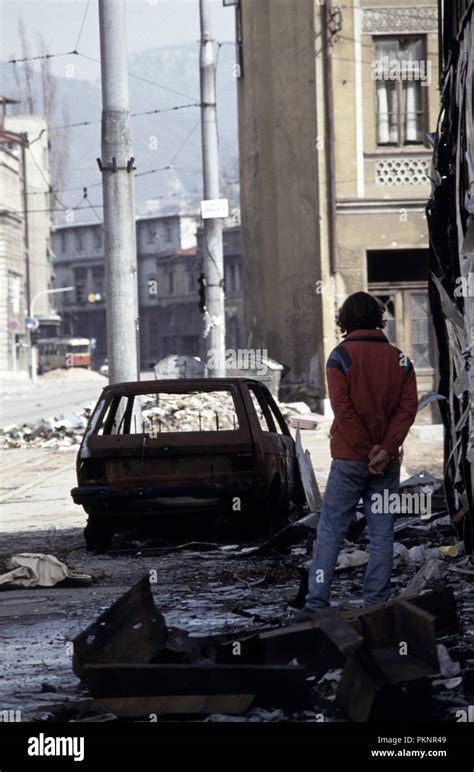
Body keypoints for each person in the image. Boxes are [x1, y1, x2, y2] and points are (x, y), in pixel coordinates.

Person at [295, 291, 418, 620]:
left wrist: (366, 452)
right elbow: (407, 410)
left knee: (331, 531)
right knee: (382, 533)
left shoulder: (339, 358)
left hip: (350, 460)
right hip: (387, 465)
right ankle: (375, 603)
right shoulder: (402, 360)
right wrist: (385, 451)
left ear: (345, 321)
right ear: (379, 319)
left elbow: (344, 411)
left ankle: (317, 602)